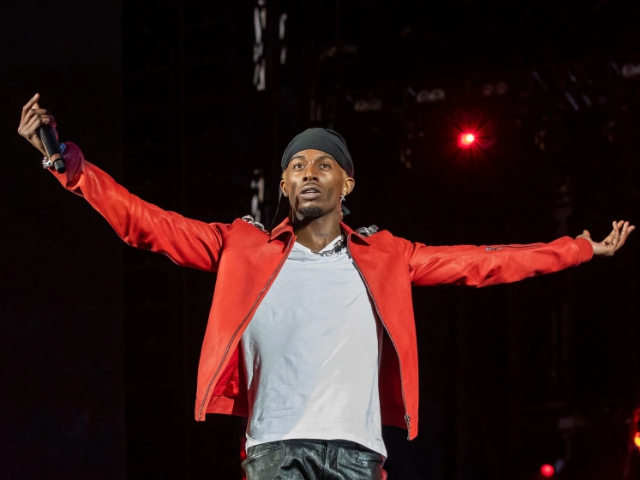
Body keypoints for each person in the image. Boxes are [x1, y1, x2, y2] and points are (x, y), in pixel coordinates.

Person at [19, 94, 635, 480]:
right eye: (296, 166)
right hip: (273, 452)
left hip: (356, 455)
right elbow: (143, 223)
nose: (307, 173)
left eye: (322, 164)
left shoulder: (388, 256)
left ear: (347, 184)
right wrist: (65, 163)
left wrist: (579, 248)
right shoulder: (241, 246)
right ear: (285, 187)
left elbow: (483, 263)